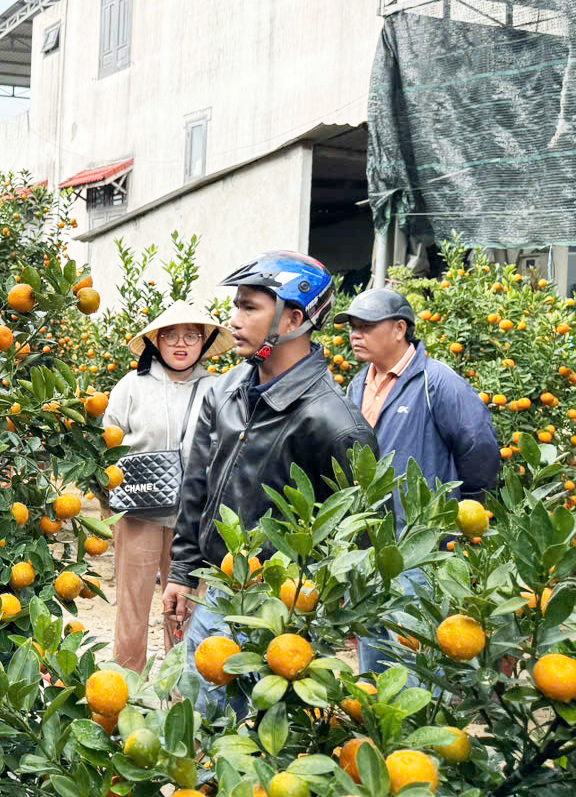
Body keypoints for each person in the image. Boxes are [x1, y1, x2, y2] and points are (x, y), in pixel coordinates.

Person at [160, 251, 377, 713]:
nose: (233, 320)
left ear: (294, 318)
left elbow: (363, 537)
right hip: (220, 590)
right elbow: (196, 483)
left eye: (249, 308)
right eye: (236, 305)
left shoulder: (335, 424)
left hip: (280, 612)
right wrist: (181, 571)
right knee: (196, 719)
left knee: (257, 739)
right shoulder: (224, 391)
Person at [335, 288, 499, 676]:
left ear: (399, 329)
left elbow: (479, 446)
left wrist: (465, 509)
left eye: (366, 326)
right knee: (373, 639)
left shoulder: (437, 382)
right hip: (369, 542)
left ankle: (422, 729)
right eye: (352, 327)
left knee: (416, 645)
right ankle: (382, 726)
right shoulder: (357, 384)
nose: (355, 335)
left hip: (419, 543)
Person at [102, 301, 235, 674]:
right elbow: (105, 440)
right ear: (155, 341)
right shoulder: (132, 385)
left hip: (192, 516)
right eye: (170, 335)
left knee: (185, 605)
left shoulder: (216, 388)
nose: (181, 343)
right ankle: (127, 686)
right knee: (133, 603)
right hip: (140, 510)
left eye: (191, 335)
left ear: (204, 342)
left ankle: (181, 691)